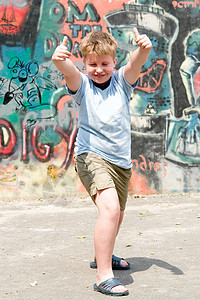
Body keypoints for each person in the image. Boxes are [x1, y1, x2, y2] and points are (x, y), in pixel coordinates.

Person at [52, 29, 152, 296]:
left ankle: (103, 255)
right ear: (85, 63)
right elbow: (68, 71)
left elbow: (137, 62)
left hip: (120, 162)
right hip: (91, 156)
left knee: (116, 215)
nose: (98, 69)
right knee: (109, 209)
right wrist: (60, 60)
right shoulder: (82, 85)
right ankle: (103, 276)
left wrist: (143, 48)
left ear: (114, 62)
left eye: (104, 63)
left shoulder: (122, 82)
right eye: (92, 64)